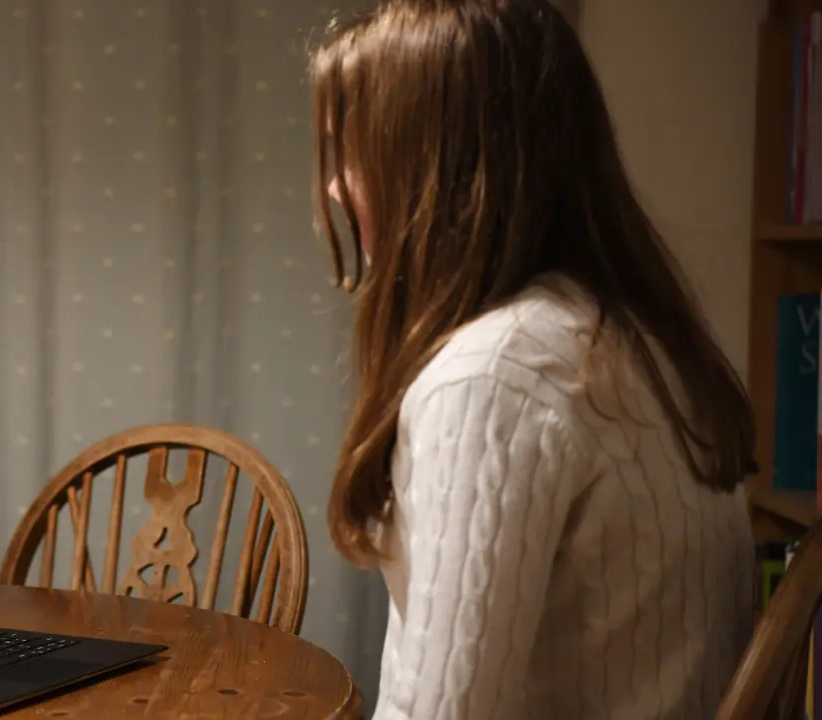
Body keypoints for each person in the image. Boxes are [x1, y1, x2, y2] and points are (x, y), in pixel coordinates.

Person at [309, 2, 755, 718]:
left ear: (429, 164)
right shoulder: (634, 336)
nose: (335, 188)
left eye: (353, 151)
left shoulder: (493, 378)